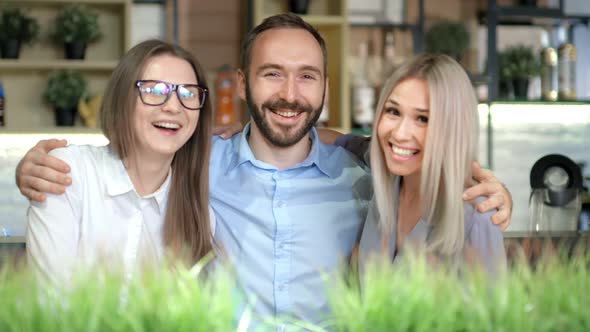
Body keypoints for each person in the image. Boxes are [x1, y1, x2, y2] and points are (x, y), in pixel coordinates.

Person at [16, 14, 511, 327]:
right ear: (243, 83)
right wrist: (39, 165)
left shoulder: (364, 178)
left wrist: (476, 180)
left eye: (307, 77)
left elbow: (421, 164)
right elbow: (139, 143)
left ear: (324, 86)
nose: (290, 94)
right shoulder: (197, 163)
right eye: (273, 73)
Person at [26, 39, 215, 284]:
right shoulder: (69, 171)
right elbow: (49, 300)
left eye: (188, 93)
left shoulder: (201, 215)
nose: (173, 107)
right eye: (155, 90)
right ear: (122, 99)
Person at [355, 54, 506, 277]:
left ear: (453, 130)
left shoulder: (477, 217)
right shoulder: (380, 190)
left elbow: (496, 311)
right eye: (393, 112)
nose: (400, 133)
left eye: (423, 119)